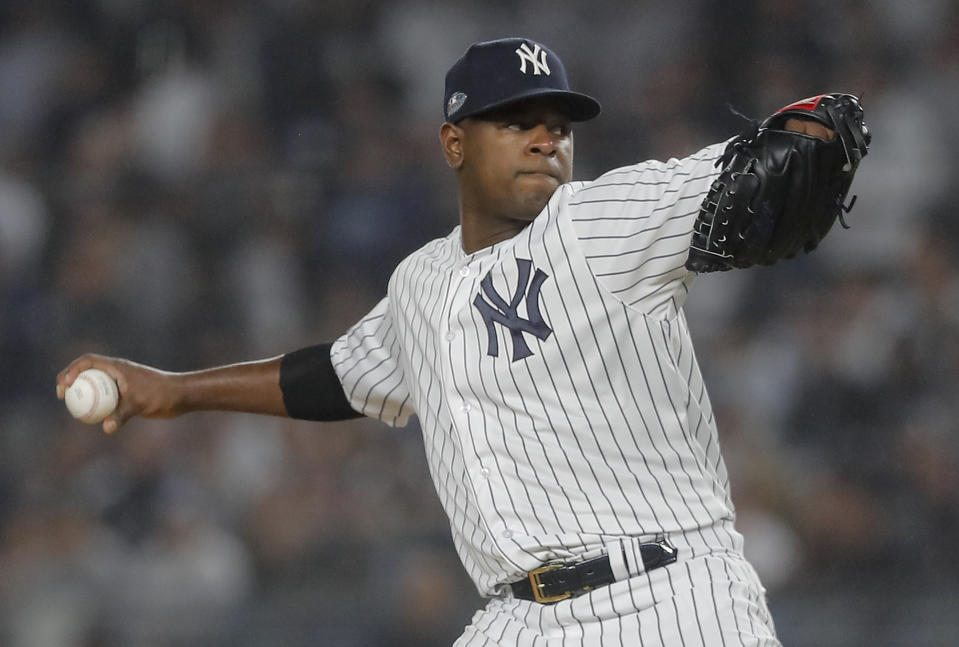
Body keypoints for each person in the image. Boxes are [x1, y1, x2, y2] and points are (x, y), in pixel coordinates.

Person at [58, 38, 842, 646]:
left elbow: (771, 160)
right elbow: (334, 376)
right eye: (516, 121)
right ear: (453, 143)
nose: (545, 140)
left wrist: (814, 129)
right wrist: (175, 389)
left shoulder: (600, 220)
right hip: (518, 615)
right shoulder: (420, 284)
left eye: (557, 126)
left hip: (670, 595)